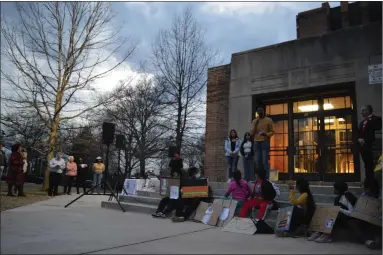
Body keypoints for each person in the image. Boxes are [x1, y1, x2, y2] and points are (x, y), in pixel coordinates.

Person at [348, 178, 382, 249]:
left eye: (365, 186)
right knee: (352, 222)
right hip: (366, 219)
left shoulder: (380, 196)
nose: (364, 188)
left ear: (369, 187)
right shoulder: (364, 195)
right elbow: (359, 208)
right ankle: (368, 241)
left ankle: (376, 238)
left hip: (378, 221)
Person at [358, 105, 382, 179]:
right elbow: (359, 133)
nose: (361, 112)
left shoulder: (376, 119)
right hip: (364, 148)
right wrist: (359, 139)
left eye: (363, 110)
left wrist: (367, 140)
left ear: (368, 111)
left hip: (372, 147)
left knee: (375, 166)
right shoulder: (362, 122)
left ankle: (374, 183)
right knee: (367, 166)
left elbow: (377, 132)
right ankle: (368, 182)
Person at [251, 107, 274, 180]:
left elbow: (272, 131)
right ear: (257, 113)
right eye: (258, 113)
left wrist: (266, 134)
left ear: (263, 112)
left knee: (264, 161)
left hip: (265, 141)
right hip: (256, 142)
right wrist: (255, 124)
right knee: (257, 161)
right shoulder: (255, 121)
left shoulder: (269, 120)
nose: (260, 114)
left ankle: (266, 178)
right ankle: (258, 178)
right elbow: (251, 133)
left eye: (261, 112)